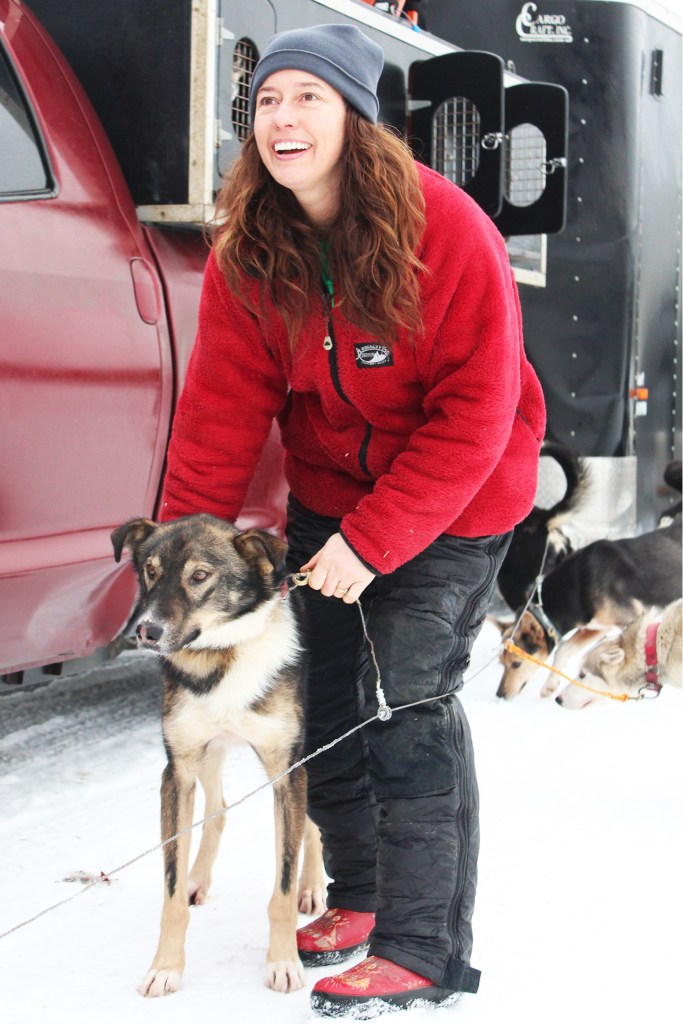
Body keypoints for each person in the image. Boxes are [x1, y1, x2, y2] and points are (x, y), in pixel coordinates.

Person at [160, 22, 545, 1018]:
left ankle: (423, 946)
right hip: (331, 493)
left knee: (408, 699)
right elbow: (218, 413)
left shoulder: (446, 231)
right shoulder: (252, 250)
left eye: (307, 98)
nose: (281, 118)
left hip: (457, 495)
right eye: (266, 101)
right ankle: (361, 894)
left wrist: (373, 545)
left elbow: (477, 411)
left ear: (356, 119)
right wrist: (176, 560)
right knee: (321, 697)